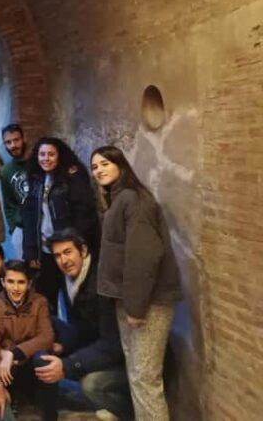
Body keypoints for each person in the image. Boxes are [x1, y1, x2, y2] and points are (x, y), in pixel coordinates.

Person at [91, 146, 182, 421]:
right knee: (136, 373)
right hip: (130, 300)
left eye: (105, 163)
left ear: (121, 165)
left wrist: (136, 307)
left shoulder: (134, 200)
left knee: (145, 378)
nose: (99, 170)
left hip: (148, 303)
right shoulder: (119, 201)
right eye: (94, 167)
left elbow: (143, 257)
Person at [34, 229, 132, 420]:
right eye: (57, 255)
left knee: (91, 385)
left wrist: (69, 364)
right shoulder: (71, 279)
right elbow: (83, 328)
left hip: (125, 357)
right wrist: (63, 345)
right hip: (98, 343)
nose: (63, 260)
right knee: (48, 324)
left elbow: (113, 344)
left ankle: (128, 412)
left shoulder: (101, 286)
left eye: (68, 252)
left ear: (83, 250)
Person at [0, 260, 56, 421]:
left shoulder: (40, 302)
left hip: (27, 360)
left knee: (44, 360)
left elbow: (46, 337)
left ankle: (48, 411)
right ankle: (5, 398)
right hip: (1, 362)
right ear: (3, 282)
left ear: (29, 283)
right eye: (10, 282)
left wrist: (14, 354)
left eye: (21, 282)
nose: (15, 288)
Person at [21, 136, 98, 314]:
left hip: (67, 249)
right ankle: (51, 337)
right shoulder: (36, 178)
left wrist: (75, 243)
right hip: (45, 251)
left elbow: (84, 212)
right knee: (46, 300)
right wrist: (31, 250)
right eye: (42, 154)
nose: (46, 159)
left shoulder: (72, 176)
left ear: (59, 156)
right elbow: (30, 216)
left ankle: (77, 338)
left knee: (74, 299)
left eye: (51, 154)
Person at [0, 123, 30, 258]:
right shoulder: (6, 171)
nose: (13, 145)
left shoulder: (39, 162)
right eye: (8, 142)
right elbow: (9, 204)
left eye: (16, 140)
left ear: (24, 139)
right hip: (22, 229)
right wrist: (14, 229)